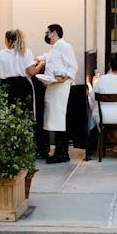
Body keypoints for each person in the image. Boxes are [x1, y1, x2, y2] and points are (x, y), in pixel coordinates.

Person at [35, 24, 77, 164]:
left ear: (54, 33)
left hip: (60, 88)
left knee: (59, 120)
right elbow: (46, 57)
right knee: (53, 120)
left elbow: (73, 66)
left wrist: (64, 78)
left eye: (47, 32)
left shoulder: (66, 47)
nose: (46, 35)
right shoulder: (53, 48)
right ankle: (57, 151)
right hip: (52, 87)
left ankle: (62, 153)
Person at [0, 29, 40, 114]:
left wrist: (5, 72)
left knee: (6, 113)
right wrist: (41, 64)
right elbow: (31, 72)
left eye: (5, 40)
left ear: (9, 40)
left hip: (5, 86)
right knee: (24, 113)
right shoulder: (26, 52)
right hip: (23, 86)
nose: (4, 42)